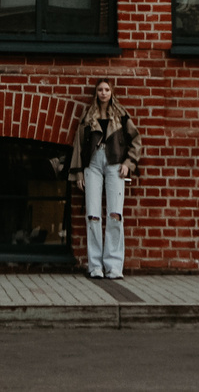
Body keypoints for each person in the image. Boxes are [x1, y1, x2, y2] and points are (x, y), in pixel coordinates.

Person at [69, 77, 141, 279]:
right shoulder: (88, 116)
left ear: (112, 92)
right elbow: (79, 145)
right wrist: (79, 172)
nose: (103, 93)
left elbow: (136, 140)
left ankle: (114, 266)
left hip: (115, 166)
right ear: (96, 93)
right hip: (92, 165)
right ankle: (95, 266)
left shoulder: (121, 115)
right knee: (92, 215)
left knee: (115, 214)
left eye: (107, 89)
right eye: (100, 89)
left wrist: (129, 163)